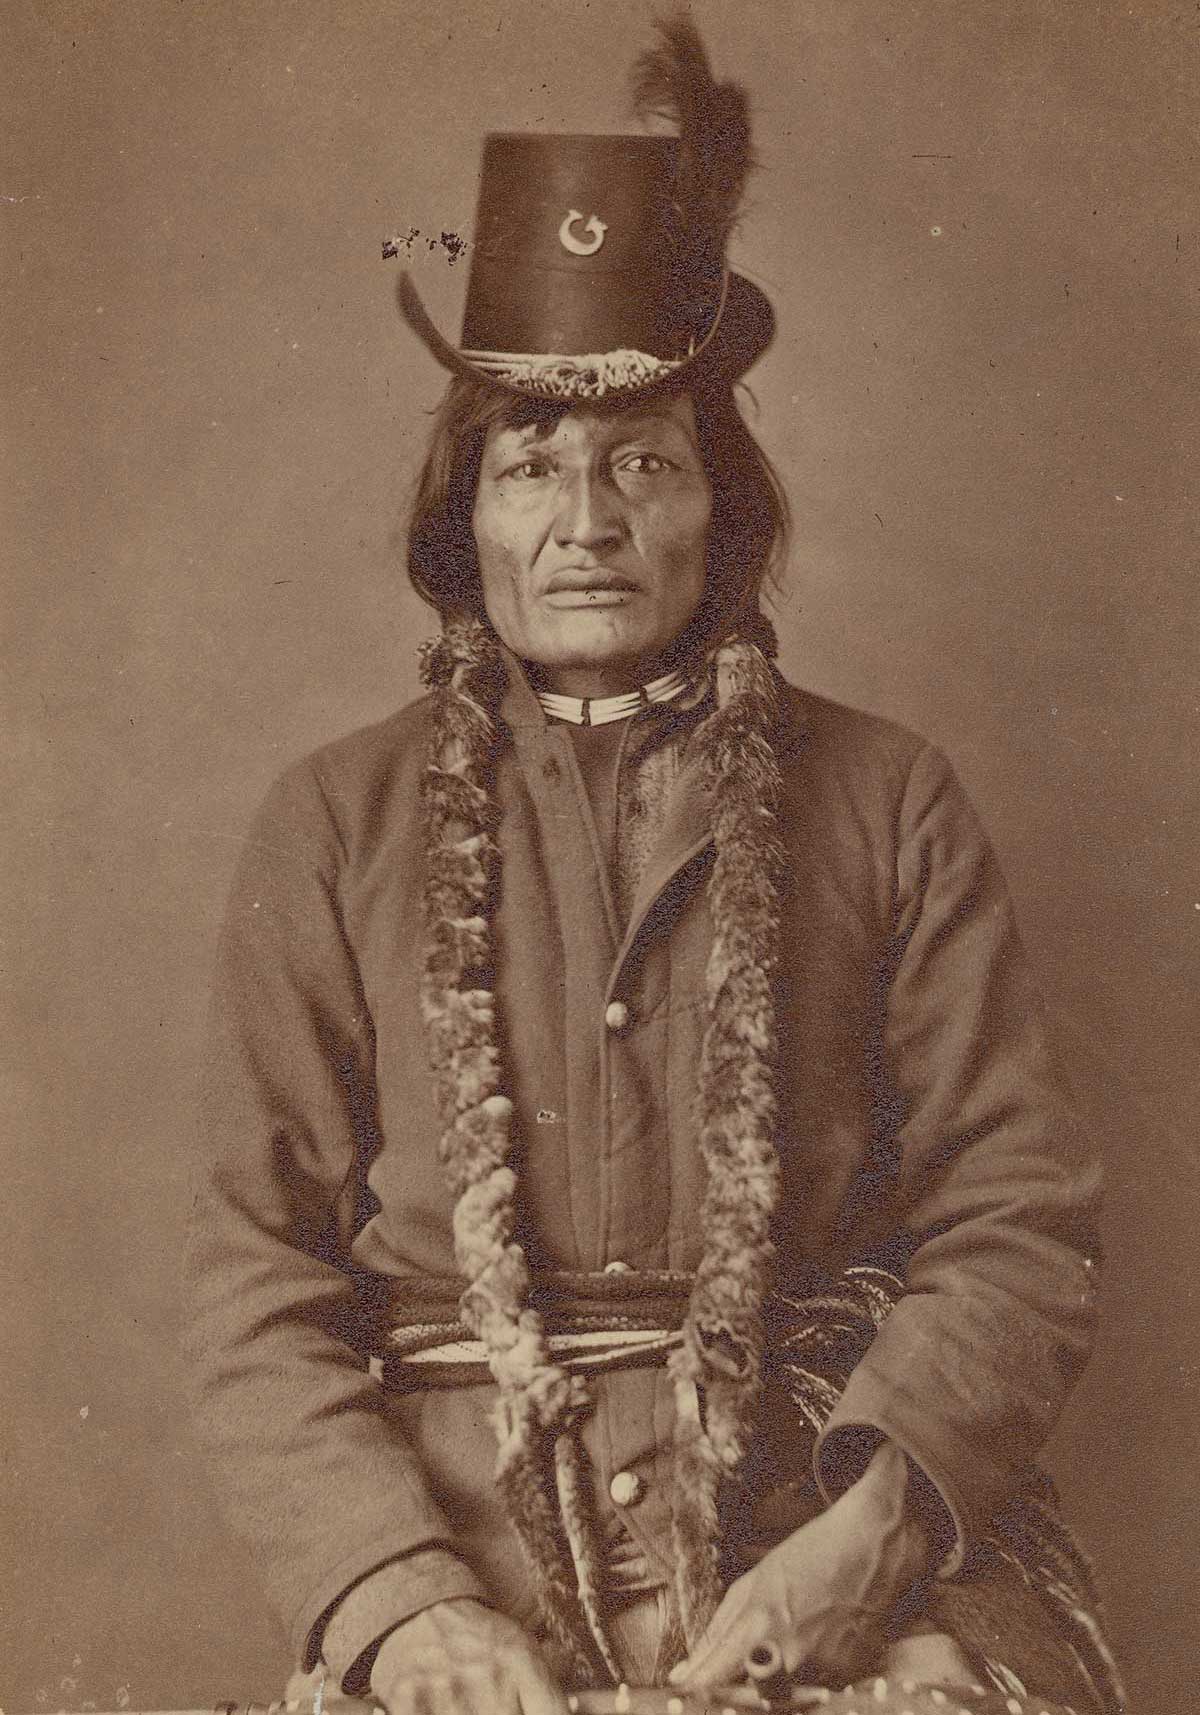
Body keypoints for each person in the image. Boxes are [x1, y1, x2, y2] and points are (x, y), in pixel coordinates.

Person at [185, 19, 1122, 1715]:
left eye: (642, 463)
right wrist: (399, 1608)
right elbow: (257, 1275)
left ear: (721, 505)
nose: (588, 520)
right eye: (531, 467)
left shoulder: (888, 798)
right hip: (464, 1543)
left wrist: (874, 1535)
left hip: (816, 1516)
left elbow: (1019, 1218)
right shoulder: (334, 823)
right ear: (462, 524)